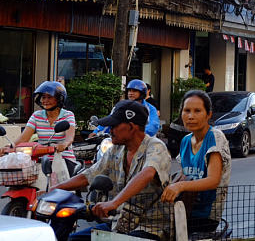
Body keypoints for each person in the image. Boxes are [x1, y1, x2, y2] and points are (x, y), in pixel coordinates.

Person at [52, 100, 172, 241]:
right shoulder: (116, 149)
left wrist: (114, 202)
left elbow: (147, 173)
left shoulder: (156, 147)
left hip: (151, 228)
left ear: (132, 127)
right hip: (121, 224)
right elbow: (89, 175)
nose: (110, 131)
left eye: (114, 126)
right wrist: (55, 190)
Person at [160, 91, 230, 233]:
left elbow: (213, 180)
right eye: (187, 111)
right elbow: (185, 174)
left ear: (208, 114)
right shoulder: (186, 141)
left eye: (197, 111)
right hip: (184, 209)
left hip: (206, 215)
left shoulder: (215, 137)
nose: (191, 116)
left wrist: (180, 186)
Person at [3, 81, 77, 172]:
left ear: (59, 99)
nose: (45, 101)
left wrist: (63, 145)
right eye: (43, 97)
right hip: (42, 158)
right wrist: (11, 147)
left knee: (63, 184)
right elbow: (24, 138)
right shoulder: (36, 115)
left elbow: (70, 137)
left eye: (49, 97)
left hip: (64, 158)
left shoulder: (68, 115)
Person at [91, 80, 160, 137]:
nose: (130, 93)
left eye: (134, 91)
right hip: (122, 140)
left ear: (142, 93)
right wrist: (96, 132)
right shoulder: (122, 106)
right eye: (129, 91)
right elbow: (111, 120)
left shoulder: (150, 109)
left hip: (144, 141)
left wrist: (137, 134)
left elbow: (153, 125)